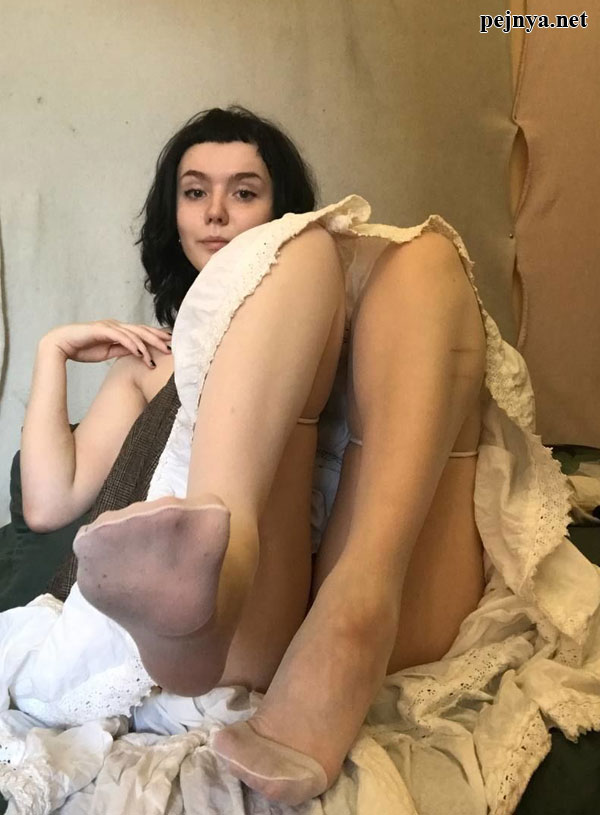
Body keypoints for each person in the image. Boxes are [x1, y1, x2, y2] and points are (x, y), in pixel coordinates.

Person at [3, 106, 599, 813]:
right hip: (252, 630)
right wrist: (50, 352)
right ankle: (210, 590)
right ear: (174, 216)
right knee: (301, 256)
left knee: (427, 258)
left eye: (244, 192)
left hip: (382, 610)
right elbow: (47, 503)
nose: (216, 211)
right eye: (194, 192)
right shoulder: (147, 365)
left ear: (278, 202)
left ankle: (353, 614)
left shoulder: (368, 326)